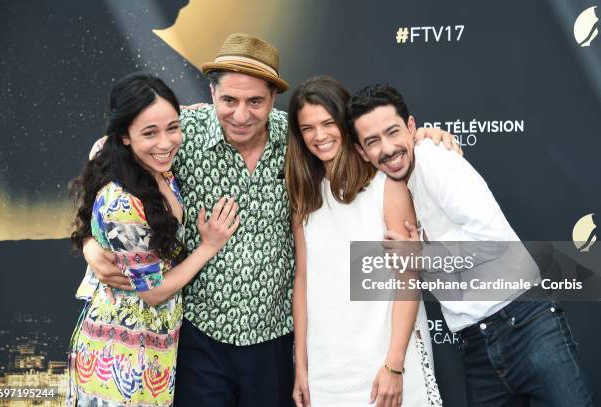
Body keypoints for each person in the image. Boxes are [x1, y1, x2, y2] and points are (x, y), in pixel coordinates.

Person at [81, 34, 459, 406]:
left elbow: (360, 138)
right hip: (200, 337)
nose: (241, 114)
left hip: (274, 340)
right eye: (229, 100)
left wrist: (423, 138)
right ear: (212, 94)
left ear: (273, 98)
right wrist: (89, 243)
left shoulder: (297, 137)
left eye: (255, 101)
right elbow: (109, 158)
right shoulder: (179, 134)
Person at [347, 84, 594, 406]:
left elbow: (490, 239)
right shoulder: (393, 188)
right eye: (372, 142)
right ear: (362, 152)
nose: (387, 148)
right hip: (475, 342)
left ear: (410, 126)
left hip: (525, 324)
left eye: (393, 132)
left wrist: (422, 256)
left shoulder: (433, 160)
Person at [67, 72, 238, 406]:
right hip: (120, 359)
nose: (165, 143)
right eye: (149, 133)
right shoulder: (122, 201)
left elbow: (105, 143)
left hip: (156, 348)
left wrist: (187, 113)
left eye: (173, 127)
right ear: (124, 136)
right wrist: (209, 246)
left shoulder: (156, 166)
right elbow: (154, 292)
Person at [286, 76, 443, 407]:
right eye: (307, 128)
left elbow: (408, 278)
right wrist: (301, 365)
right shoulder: (305, 196)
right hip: (327, 367)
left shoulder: (386, 186)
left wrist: (394, 365)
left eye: (328, 123)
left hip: (384, 361)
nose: (319, 136)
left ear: (346, 125)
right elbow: (303, 280)